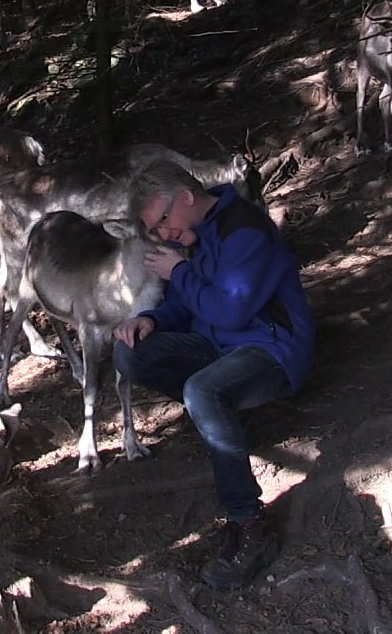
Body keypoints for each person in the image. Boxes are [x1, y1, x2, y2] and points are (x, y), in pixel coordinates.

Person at [112, 160, 315, 590]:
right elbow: (189, 305)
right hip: (221, 347)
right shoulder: (199, 233)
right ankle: (224, 413)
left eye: (163, 220)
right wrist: (152, 319)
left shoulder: (243, 228)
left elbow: (230, 308)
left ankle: (249, 524)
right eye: (155, 228)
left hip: (272, 351)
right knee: (131, 354)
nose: (163, 233)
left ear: (186, 197)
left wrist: (179, 272)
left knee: (201, 391)